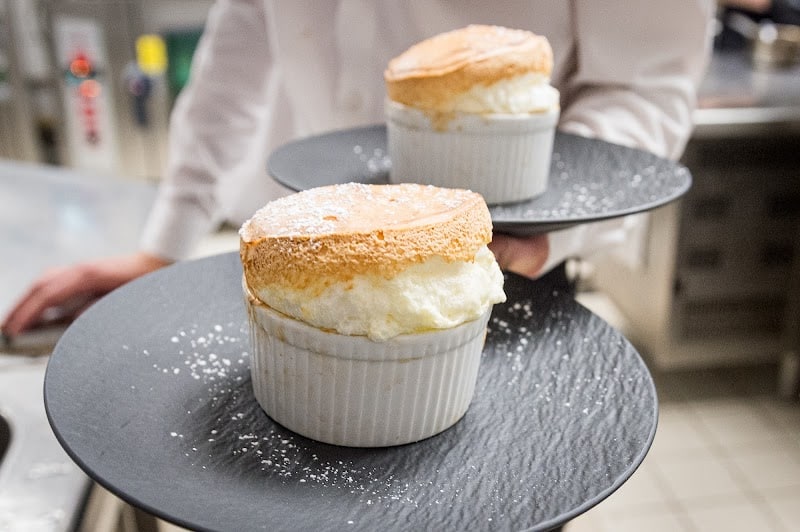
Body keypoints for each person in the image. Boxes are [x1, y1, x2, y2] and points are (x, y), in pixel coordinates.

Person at [1, 0, 714, 338]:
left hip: (509, 270)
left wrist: (542, 228)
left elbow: (643, 89)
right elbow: (239, 45)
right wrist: (165, 240)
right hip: (316, 255)